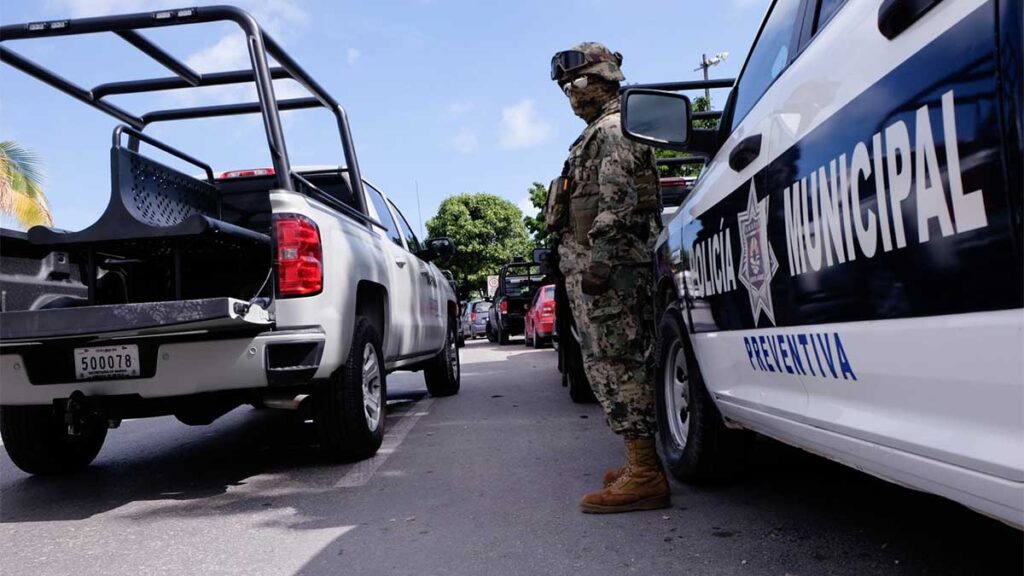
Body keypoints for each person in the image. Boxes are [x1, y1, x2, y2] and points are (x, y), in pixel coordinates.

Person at [547, 42, 668, 513]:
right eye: (564, 88)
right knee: (612, 362)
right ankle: (639, 461)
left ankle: (645, 475)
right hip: (603, 268)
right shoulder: (599, 131)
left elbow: (616, 203)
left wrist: (599, 263)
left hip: (611, 271)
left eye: (574, 84)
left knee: (620, 364)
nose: (570, 95)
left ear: (602, 79)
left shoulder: (614, 130)